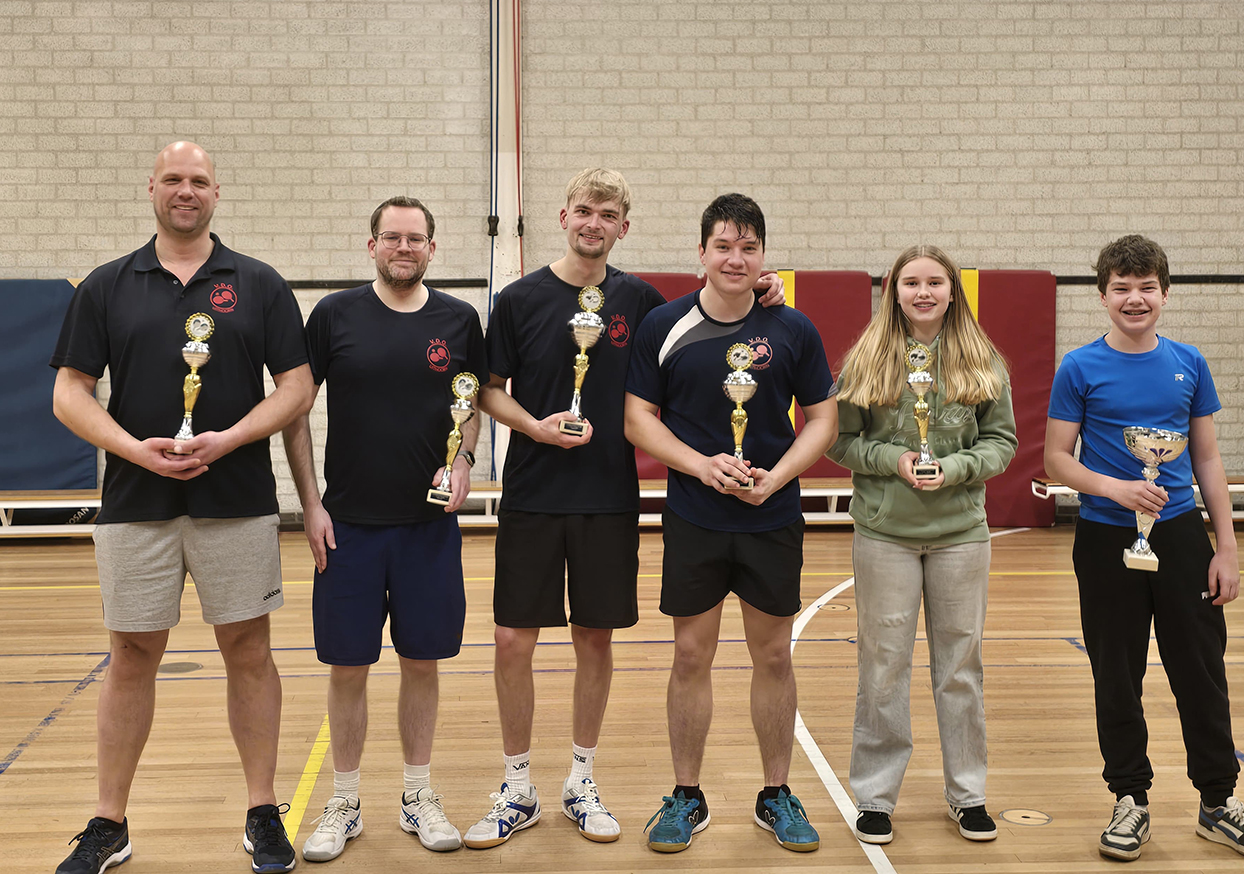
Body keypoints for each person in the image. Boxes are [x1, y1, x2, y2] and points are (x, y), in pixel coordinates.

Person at [470, 169, 786, 848]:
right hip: (530, 493)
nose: (593, 222)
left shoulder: (644, 303)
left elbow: (710, 321)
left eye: (607, 213)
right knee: (510, 641)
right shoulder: (519, 298)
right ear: (563, 216)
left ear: (624, 226)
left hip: (610, 497)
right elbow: (488, 391)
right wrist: (533, 427)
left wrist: (764, 293)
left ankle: (581, 779)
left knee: (594, 639)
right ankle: (517, 784)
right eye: (584, 210)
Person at [50, 142, 313, 874]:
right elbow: (69, 392)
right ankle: (110, 822)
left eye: (199, 181)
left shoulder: (258, 283)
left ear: (217, 193)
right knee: (131, 655)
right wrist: (134, 450)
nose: (186, 191)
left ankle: (263, 810)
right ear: (152, 189)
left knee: (249, 651)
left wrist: (226, 440)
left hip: (237, 500)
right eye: (174, 179)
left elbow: (296, 387)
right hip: (136, 503)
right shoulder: (106, 286)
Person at [1044, 234, 1244, 862]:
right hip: (1103, 535)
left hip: (1179, 535)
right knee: (1115, 672)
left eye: (1146, 286)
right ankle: (1130, 799)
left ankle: (1218, 801)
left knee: (1200, 670)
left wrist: (1225, 546)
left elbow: (1205, 456)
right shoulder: (1079, 368)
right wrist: (1116, 489)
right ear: (1102, 296)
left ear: (1165, 293)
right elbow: (1056, 459)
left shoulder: (1189, 362)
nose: (1135, 298)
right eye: (1121, 287)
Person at [624, 193, 837, 854]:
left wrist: (778, 476)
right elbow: (638, 419)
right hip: (695, 516)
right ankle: (686, 795)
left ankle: (776, 794)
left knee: (773, 653)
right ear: (702, 254)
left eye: (748, 248)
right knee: (692, 654)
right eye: (724, 246)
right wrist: (700, 466)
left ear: (763, 256)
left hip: (771, 515)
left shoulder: (793, 328)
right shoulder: (664, 325)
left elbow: (824, 419)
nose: (736, 258)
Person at [282, 196, 485, 861]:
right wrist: (310, 504)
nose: (404, 247)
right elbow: (294, 410)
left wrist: (462, 462)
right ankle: (344, 799)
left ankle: (417, 794)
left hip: (427, 529)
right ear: (371, 245)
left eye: (415, 238)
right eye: (392, 237)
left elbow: (472, 408)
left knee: (422, 664)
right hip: (349, 529)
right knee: (348, 668)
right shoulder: (335, 314)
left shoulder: (459, 320)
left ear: (433, 248)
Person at [826, 245, 1016, 846]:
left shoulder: (981, 359)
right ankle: (876, 797)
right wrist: (895, 458)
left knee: (960, 668)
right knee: (882, 667)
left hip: (961, 536)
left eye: (935, 281)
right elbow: (841, 442)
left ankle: (968, 794)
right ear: (894, 291)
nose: (924, 292)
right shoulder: (866, 360)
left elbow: (1002, 442)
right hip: (885, 534)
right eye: (912, 282)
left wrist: (956, 467)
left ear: (953, 291)